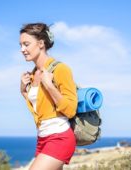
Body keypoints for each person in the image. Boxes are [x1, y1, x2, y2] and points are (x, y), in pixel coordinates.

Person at [19, 23, 78, 170]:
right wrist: (24, 92)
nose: (22, 50)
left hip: (60, 137)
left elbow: (71, 110)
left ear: (40, 43)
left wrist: (50, 86)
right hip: (42, 139)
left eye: (26, 44)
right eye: (20, 45)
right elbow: (41, 110)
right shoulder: (33, 75)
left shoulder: (60, 69)